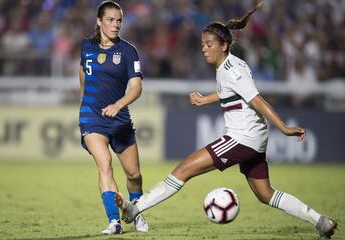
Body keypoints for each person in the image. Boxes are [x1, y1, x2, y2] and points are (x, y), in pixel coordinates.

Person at [115, 2, 337, 239]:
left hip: (243, 137)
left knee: (184, 169)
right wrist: (205, 99)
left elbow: (256, 100)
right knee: (265, 194)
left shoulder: (232, 70)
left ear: (224, 45)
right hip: (254, 138)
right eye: (202, 45)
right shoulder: (228, 67)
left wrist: (284, 128)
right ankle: (320, 221)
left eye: (209, 45)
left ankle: (135, 209)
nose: (204, 49)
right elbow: (231, 93)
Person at [78, 1, 148, 235]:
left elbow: (136, 88)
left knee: (134, 175)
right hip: (92, 118)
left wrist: (118, 105)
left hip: (120, 119)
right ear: (99, 21)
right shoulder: (86, 46)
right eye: (110, 20)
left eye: (119, 20)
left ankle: (136, 211)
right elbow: (83, 73)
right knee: (105, 165)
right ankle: (114, 222)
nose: (115, 24)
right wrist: (83, 103)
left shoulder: (128, 51)